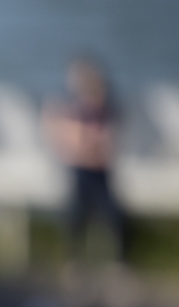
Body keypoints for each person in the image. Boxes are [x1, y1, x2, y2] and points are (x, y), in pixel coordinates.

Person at [43, 56, 127, 269]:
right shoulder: (72, 107)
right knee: (77, 217)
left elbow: (106, 143)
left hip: (100, 171)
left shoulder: (104, 109)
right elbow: (72, 142)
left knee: (112, 217)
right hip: (81, 171)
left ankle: (116, 265)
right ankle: (76, 264)